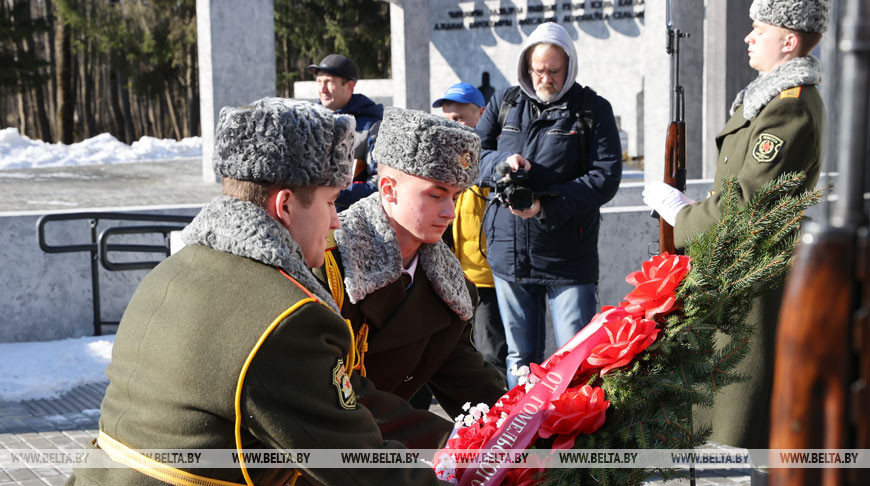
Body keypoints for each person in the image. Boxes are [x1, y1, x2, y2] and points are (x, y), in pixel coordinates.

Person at [68, 98, 446, 486]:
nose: (336, 221)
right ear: (284, 206)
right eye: (331, 202)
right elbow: (357, 466)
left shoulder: (173, 270)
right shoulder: (287, 317)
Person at [643, 0, 829, 448]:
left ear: (789, 40)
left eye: (759, 29)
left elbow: (745, 203)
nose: (748, 37)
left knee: (738, 418)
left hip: (753, 278)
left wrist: (682, 215)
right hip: (736, 269)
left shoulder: (789, 109)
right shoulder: (768, 101)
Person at [314, 107, 507, 420]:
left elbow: (471, 385)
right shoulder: (328, 261)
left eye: (455, 197)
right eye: (435, 195)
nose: (450, 212)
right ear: (389, 190)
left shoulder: (447, 286)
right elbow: (328, 394)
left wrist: (534, 428)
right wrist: (441, 442)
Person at [474, 22, 623, 388]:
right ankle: (525, 438)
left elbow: (605, 177)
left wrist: (545, 207)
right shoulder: (505, 102)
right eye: (538, 70)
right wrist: (501, 166)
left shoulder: (592, 109)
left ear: (569, 66)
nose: (545, 78)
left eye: (554, 71)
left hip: (567, 254)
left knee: (576, 357)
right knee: (519, 358)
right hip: (510, 253)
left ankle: (573, 440)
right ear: (526, 66)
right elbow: (472, 154)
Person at [433, 82, 507, 378]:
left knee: (493, 354)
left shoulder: (497, 159)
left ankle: (505, 419)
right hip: (454, 276)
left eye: (461, 118)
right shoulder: (444, 160)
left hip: (487, 279)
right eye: (449, 119)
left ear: (483, 114)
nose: (455, 126)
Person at [307, 53, 383, 209]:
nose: (322, 89)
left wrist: (330, 193)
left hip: (351, 222)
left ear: (350, 86)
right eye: (319, 82)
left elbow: (379, 184)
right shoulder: (309, 122)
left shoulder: (372, 126)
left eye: (329, 82)